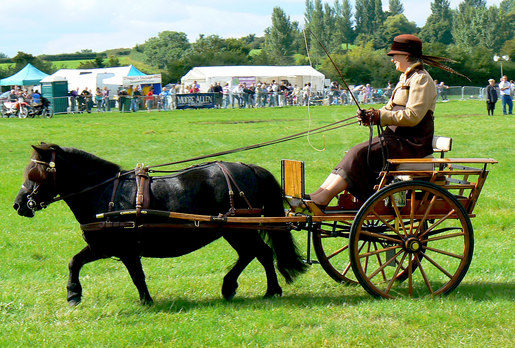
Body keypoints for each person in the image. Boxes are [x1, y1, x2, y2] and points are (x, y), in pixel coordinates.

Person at [306, 34, 467, 208]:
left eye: (394, 55)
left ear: (406, 55)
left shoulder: (422, 79)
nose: (392, 60)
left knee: (359, 153)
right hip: (395, 140)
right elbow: (390, 109)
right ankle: (319, 194)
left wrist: (380, 116)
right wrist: (372, 114)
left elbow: (413, 116)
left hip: (412, 143)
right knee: (355, 152)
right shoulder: (405, 78)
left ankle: (324, 198)